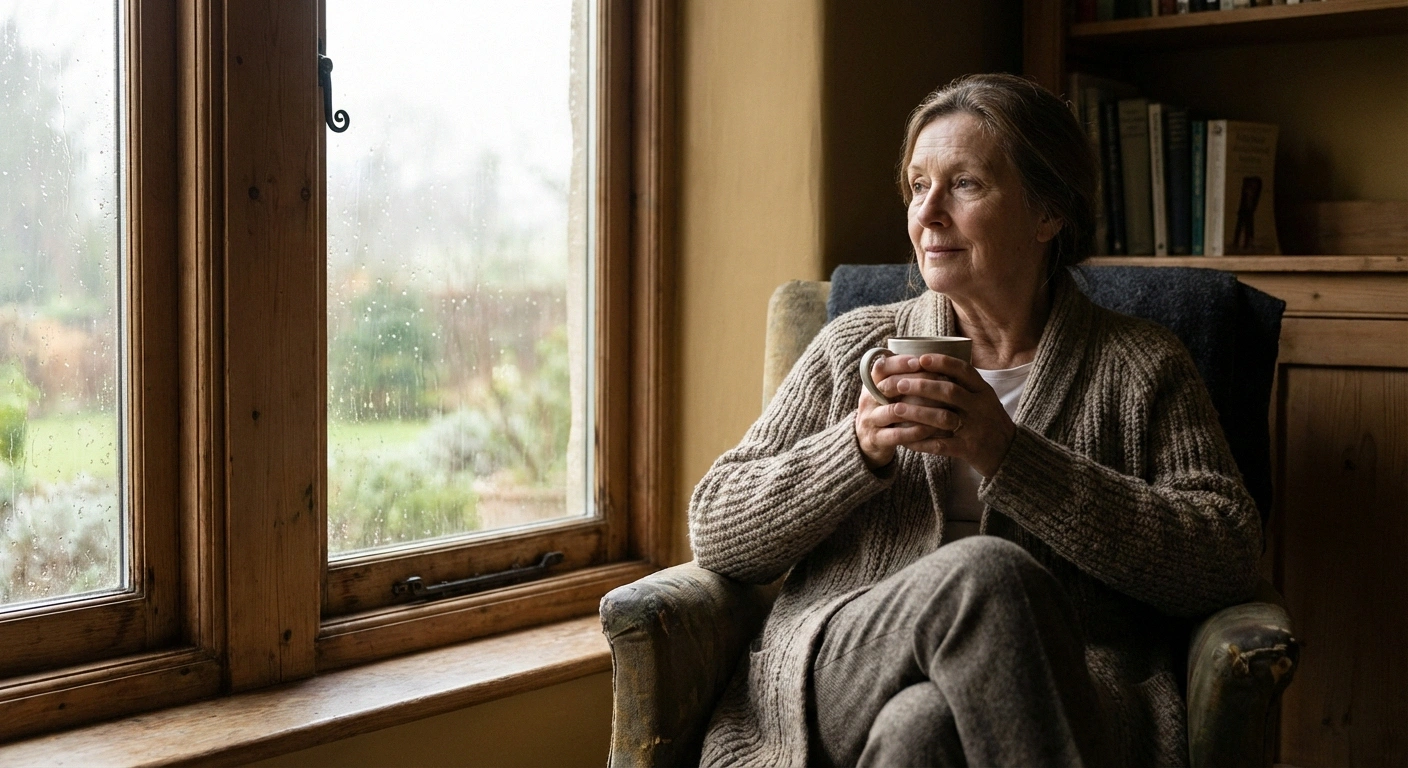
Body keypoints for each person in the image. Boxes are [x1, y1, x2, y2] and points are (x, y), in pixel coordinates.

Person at [687, 73, 1261, 767]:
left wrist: (1011, 455)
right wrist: (856, 448)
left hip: (1061, 689)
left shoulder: (1140, 366)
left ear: (1049, 213)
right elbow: (717, 529)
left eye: (963, 185)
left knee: (922, 730)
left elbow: (1225, 555)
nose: (927, 213)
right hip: (845, 669)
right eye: (917, 184)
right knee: (989, 573)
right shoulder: (853, 349)